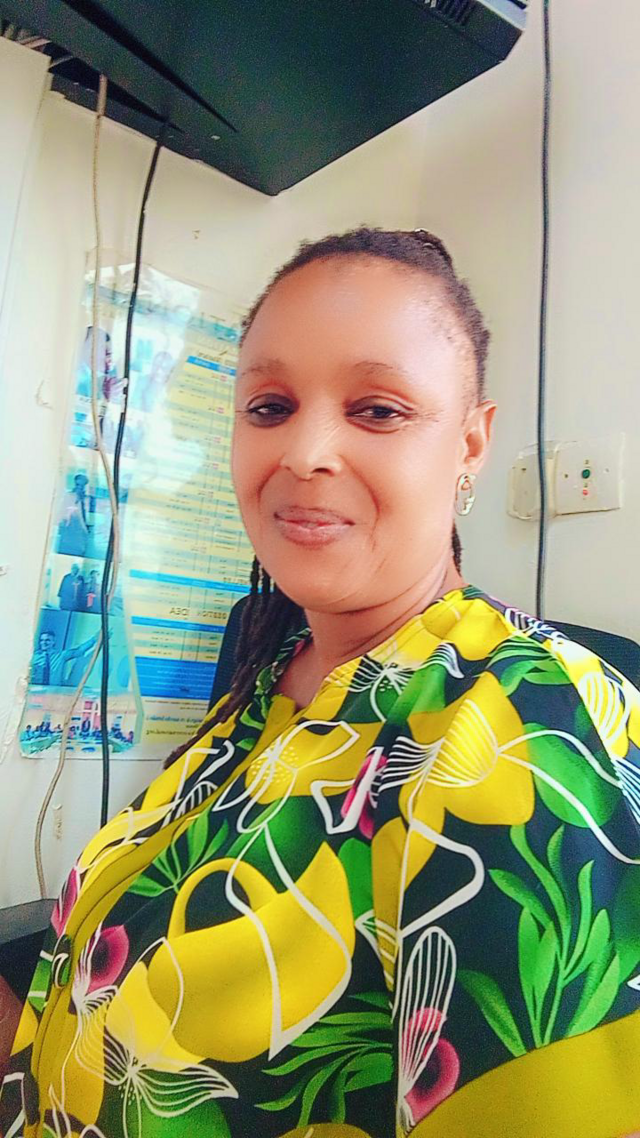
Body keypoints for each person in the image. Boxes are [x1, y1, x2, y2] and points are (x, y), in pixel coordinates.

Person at [2, 228, 639, 1137]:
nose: (303, 452)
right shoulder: (266, 684)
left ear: (470, 442)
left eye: (377, 410)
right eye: (269, 406)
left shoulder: (525, 726)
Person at [30, 627, 99, 687]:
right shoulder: (33, 657)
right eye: (42, 640)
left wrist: (95, 639)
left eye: (47, 640)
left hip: (53, 690)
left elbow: (80, 650)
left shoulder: (61, 655)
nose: (44, 643)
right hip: (35, 689)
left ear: (53, 642)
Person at [56, 474, 91, 557]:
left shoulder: (87, 499)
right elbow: (62, 513)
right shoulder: (69, 496)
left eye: (82, 485)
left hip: (80, 534)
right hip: (68, 531)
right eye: (78, 484)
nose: (80, 487)